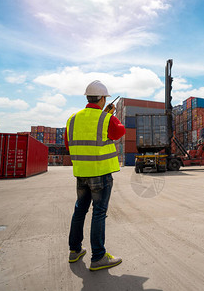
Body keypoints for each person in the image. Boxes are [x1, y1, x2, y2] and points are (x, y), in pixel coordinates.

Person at [64, 80, 126, 271]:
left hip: (81, 173)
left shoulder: (72, 118)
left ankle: (74, 251)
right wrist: (109, 115)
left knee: (79, 210)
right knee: (99, 213)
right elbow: (119, 132)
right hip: (100, 173)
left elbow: (69, 145)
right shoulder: (106, 118)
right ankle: (98, 257)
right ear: (102, 99)